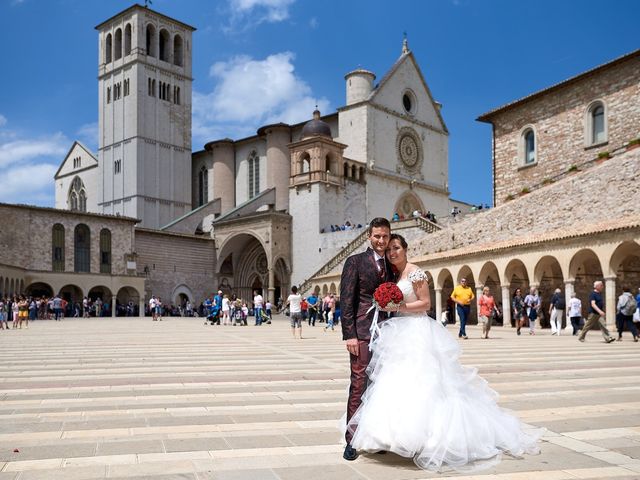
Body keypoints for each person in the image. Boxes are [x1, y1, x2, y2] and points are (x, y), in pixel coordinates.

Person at [346, 234, 541, 472]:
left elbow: (426, 303)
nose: (392, 253)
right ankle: (391, 437)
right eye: (389, 250)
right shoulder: (394, 275)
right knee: (396, 382)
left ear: (405, 249)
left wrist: (398, 306)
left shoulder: (415, 272)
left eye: (396, 248)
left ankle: (424, 438)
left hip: (416, 330)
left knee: (425, 382)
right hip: (398, 331)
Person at [340, 217, 394, 462]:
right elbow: (346, 300)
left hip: (387, 331)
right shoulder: (355, 262)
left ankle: (374, 435)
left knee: (380, 385)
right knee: (359, 383)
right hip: (361, 332)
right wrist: (349, 334)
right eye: (377, 236)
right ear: (369, 237)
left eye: (385, 236)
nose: (381, 241)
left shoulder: (392, 265)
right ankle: (352, 439)